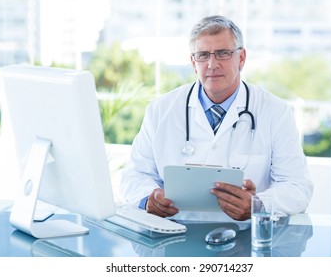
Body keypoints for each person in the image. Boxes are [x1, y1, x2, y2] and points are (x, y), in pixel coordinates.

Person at [120, 15, 313, 221]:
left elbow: (297, 186)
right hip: (174, 235)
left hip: (246, 237)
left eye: (223, 53)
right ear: (193, 63)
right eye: (203, 55)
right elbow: (134, 175)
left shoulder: (275, 112)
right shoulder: (160, 110)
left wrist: (258, 204)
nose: (212, 64)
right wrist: (148, 199)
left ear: (241, 58)